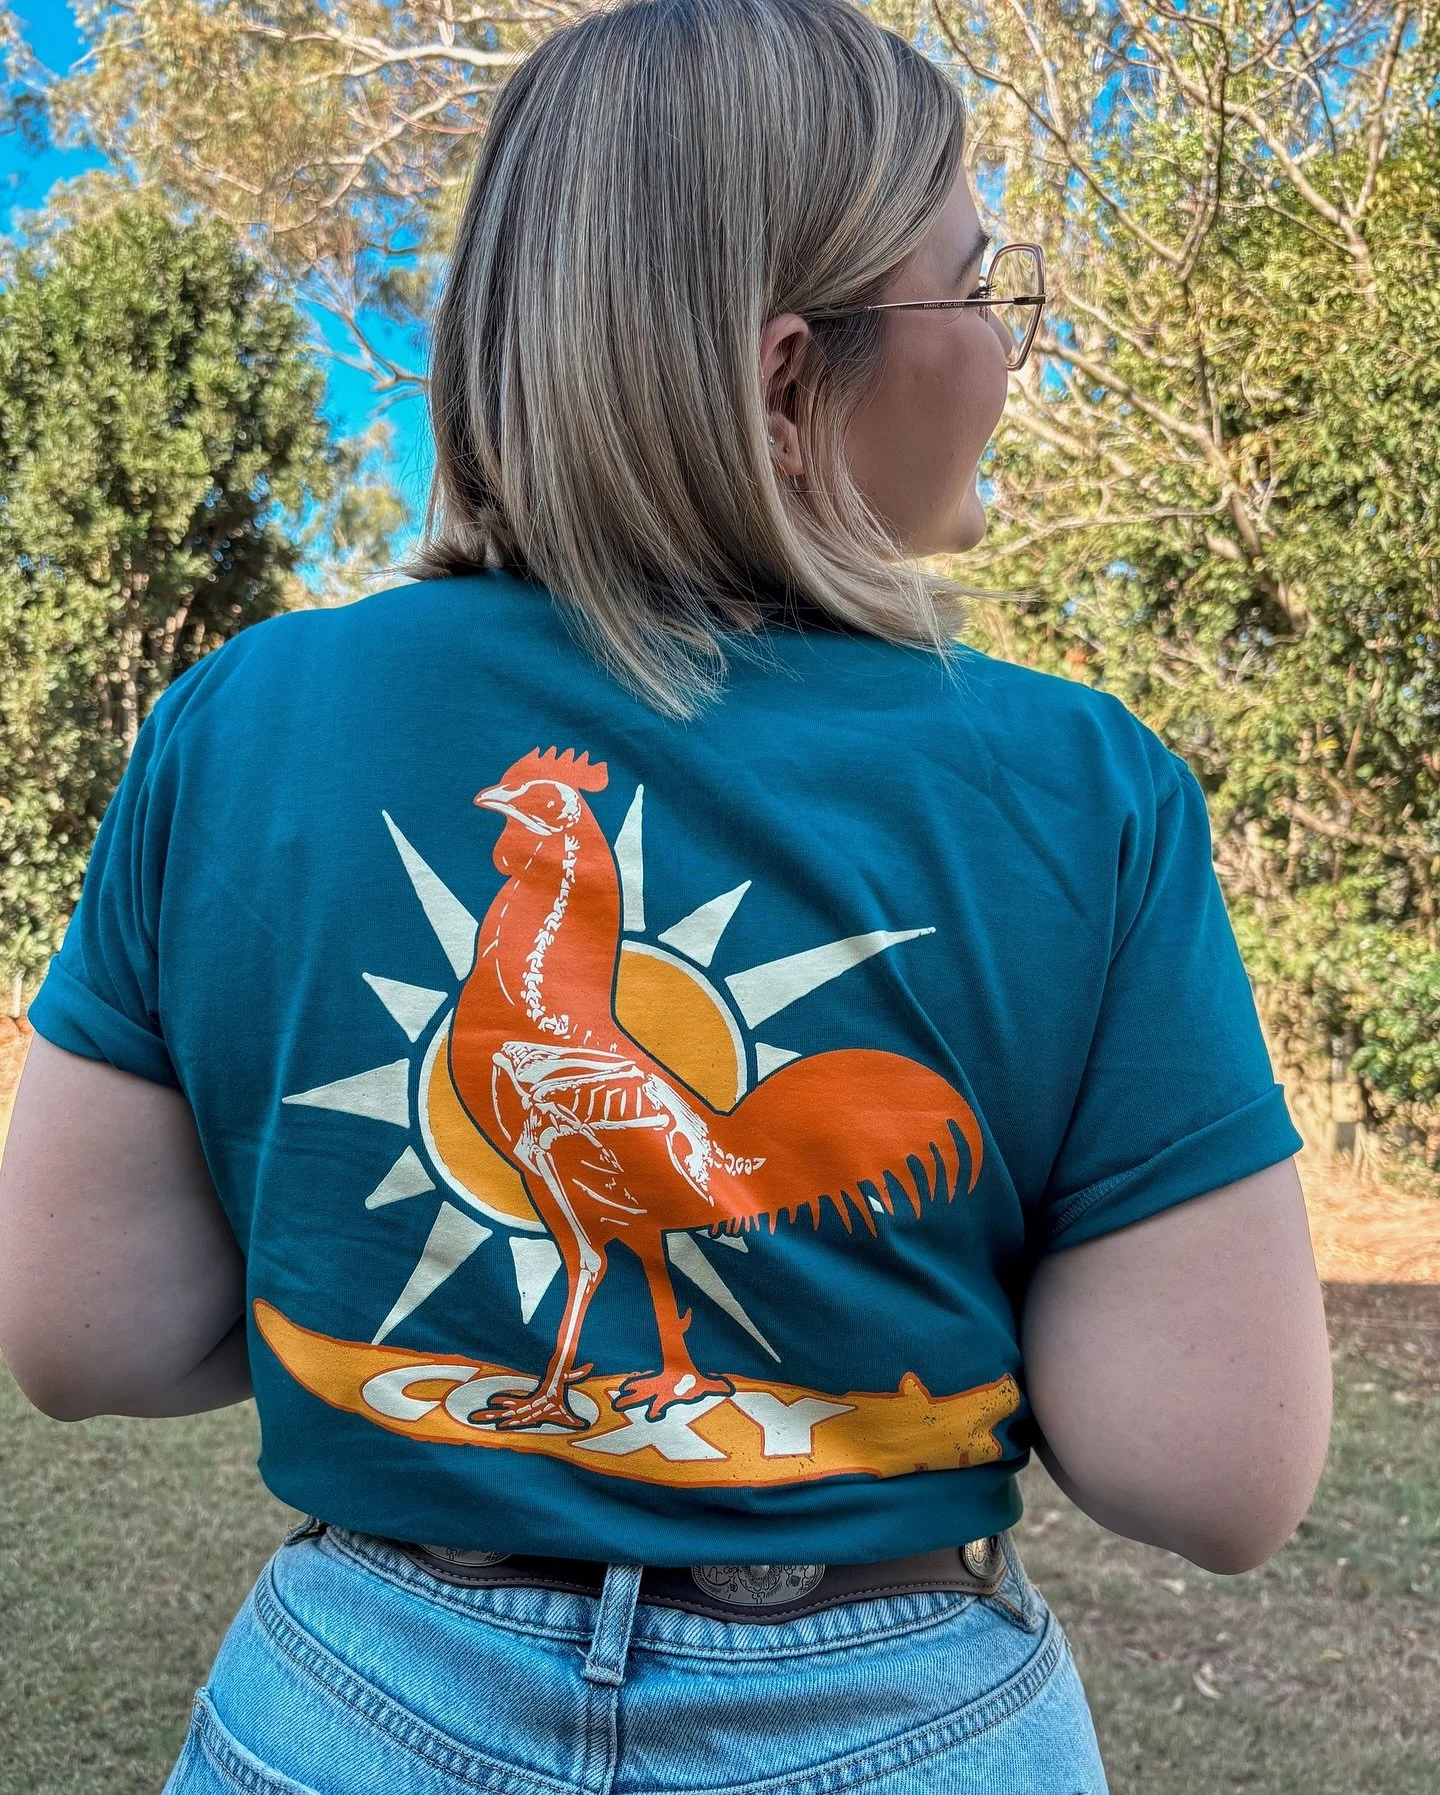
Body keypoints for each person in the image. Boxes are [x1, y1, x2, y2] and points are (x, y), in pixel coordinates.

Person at [0, 0, 1333, 1788]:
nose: (1016, 348)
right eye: (983, 288)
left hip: (358, 1698)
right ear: (791, 381)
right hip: (897, 1716)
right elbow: (1214, 1462)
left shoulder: (242, 715)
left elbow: (79, 1330)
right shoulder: (1077, 782)